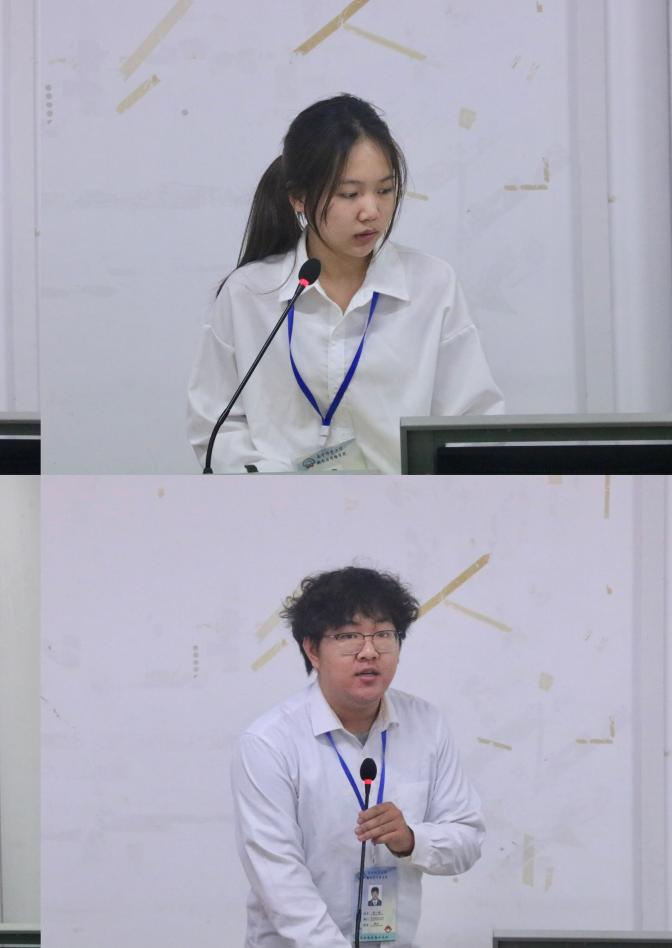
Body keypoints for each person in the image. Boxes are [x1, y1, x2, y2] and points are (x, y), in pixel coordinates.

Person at [186, 94, 503, 473]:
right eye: (349, 194)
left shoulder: (432, 286)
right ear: (298, 197)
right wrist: (274, 489)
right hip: (279, 505)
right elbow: (216, 428)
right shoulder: (248, 294)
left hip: (403, 503)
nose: (371, 211)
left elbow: (471, 422)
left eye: (384, 190)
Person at [231, 566, 484, 947]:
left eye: (383, 634)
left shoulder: (426, 725)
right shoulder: (269, 743)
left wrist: (411, 839)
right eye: (348, 636)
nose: (369, 652)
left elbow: (467, 838)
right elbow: (280, 881)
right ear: (312, 650)